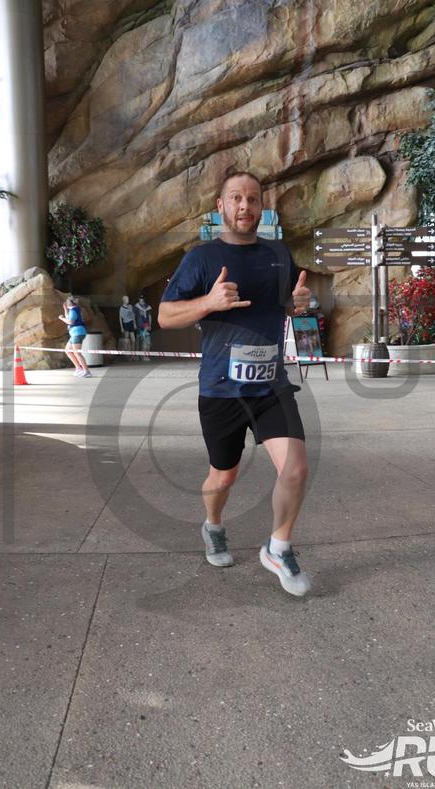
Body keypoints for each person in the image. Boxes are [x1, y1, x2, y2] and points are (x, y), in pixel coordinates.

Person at [158, 170, 312, 597]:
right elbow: (166, 316)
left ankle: (278, 548)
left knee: (296, 468)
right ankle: (213, 526)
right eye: (236, 198)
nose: (245, 206)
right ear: (221, 206)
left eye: (253, 199)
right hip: (221, 390)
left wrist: (299, 303)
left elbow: (288, 303)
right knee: (223, 477)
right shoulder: (201, 258)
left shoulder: (278, 253)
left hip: (270, 386)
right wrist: (208, 302)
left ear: (261, 206)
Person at [58, 296, 92, 377]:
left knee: (77, 353)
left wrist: (62, 318)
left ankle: (87, 371)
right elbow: (68, 317)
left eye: (67, 302)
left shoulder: (74, 310)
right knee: (68, 350)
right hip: (74, 334)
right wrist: (65, 309)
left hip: (77, 333)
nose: (66, 303)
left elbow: (70, 321)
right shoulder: (73, 310)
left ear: (70, 303)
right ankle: (78, 368)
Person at [134, 295, 152, 360]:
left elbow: (149, 316)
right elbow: (134, 315)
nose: (141, 299)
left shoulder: (147, 306)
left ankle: (144, 356)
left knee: (145, 339)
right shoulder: (136, 306)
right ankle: (137, 356)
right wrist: (134, 324)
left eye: (142, 298)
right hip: (139, 325)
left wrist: (150, 325)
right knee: (138, 340)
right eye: (140, 298)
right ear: (138, 299)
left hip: (145, 325)